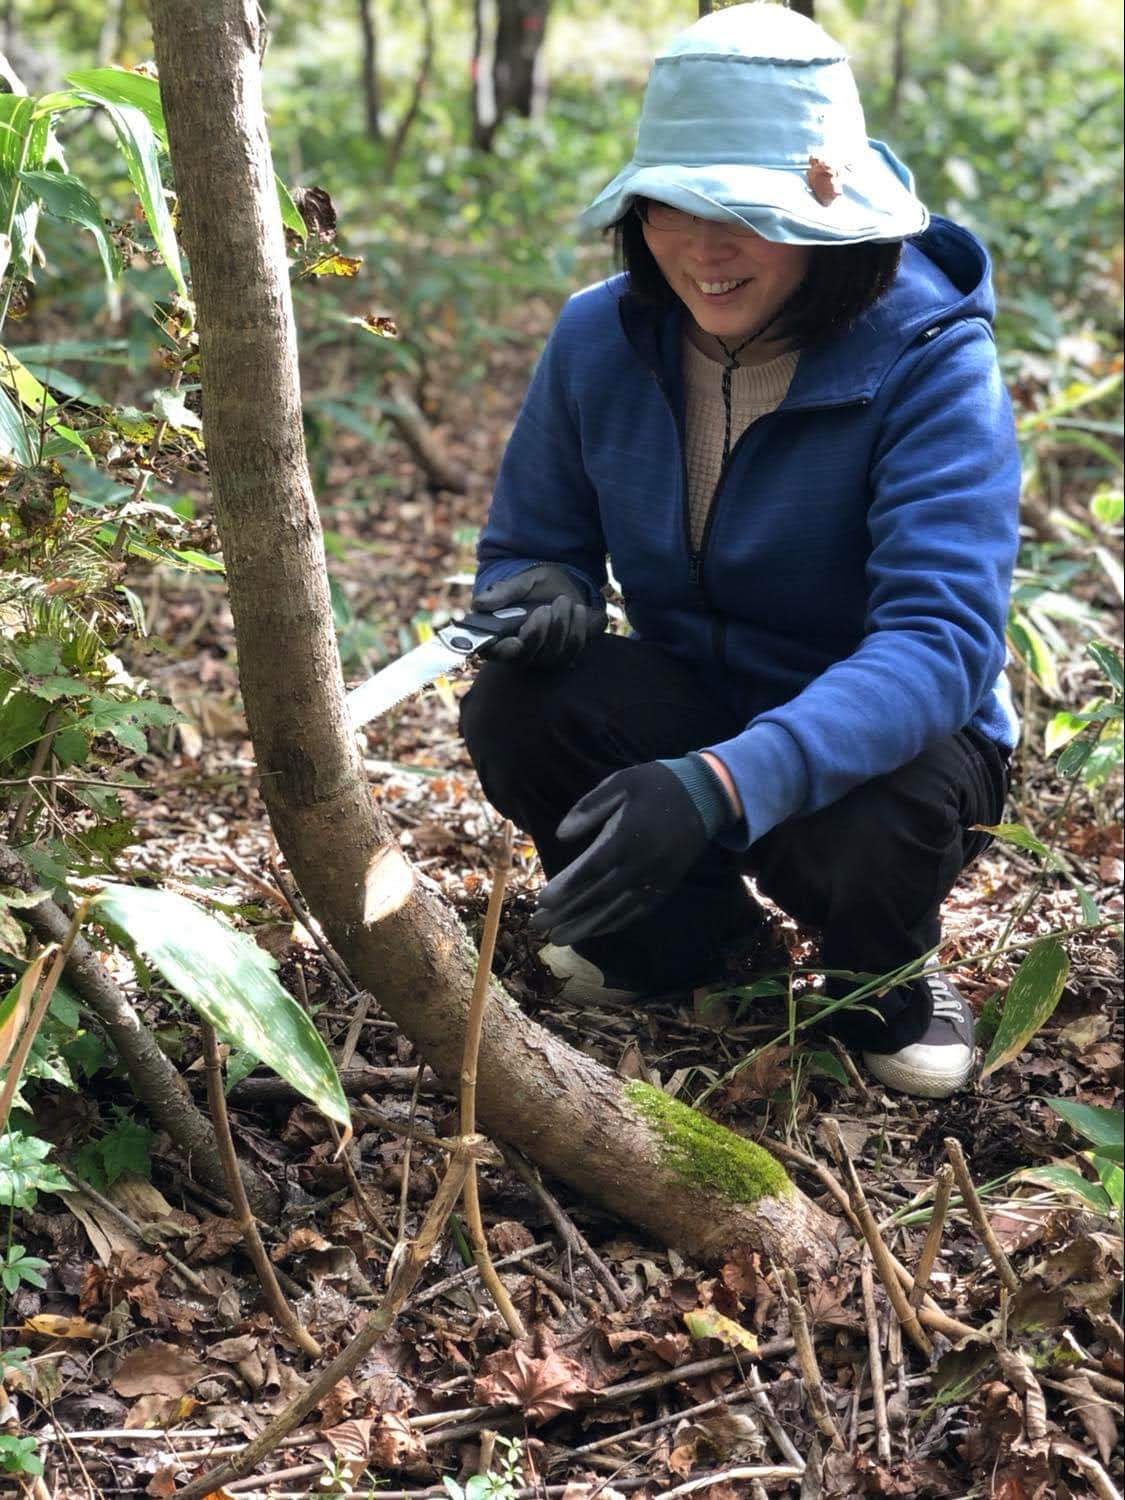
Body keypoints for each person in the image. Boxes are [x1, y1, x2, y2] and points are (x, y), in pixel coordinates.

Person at [459, 1, 1018, 1099]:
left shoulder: (932, 360)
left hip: (881, 746)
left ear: (835, 217)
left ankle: (882, 982)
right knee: (517, 707)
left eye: (750, 213)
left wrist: (719, 786)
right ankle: (686, 943)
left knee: (882, 823)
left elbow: (941, 642)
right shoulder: (597, 338)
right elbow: (531, 544)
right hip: (697, 696)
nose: (705, 248)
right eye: (675, 206)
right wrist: (541, 595)